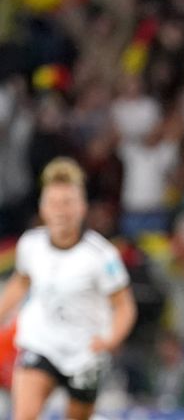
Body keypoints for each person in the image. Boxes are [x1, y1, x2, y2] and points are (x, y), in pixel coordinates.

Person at [0, 157, 136, 420]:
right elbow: (21, 282)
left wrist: (111, 339)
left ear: (82, 207)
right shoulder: (30, 245)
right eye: (54, 203)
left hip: (84, 353)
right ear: (43, 208)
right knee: (24, 415)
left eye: (67, 203)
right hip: (41, 343)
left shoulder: (102, 256)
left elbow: (124, 306)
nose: (60, 211)